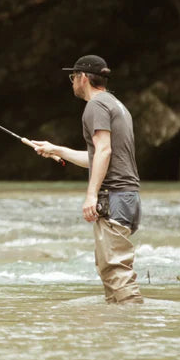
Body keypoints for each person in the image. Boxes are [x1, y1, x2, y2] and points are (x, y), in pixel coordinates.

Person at [28, 55, 144, 304]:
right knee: (110, 271)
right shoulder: (115, 104)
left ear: (83, 78)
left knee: (116, 274)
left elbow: (104, 151)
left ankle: (136, 329)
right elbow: (96, 156)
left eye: (73, 77)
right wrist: (56, 149)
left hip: (113, 197)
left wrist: (91, 195)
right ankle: (119, 333)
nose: (72, 83)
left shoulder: (95, 106)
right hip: (127, 198)